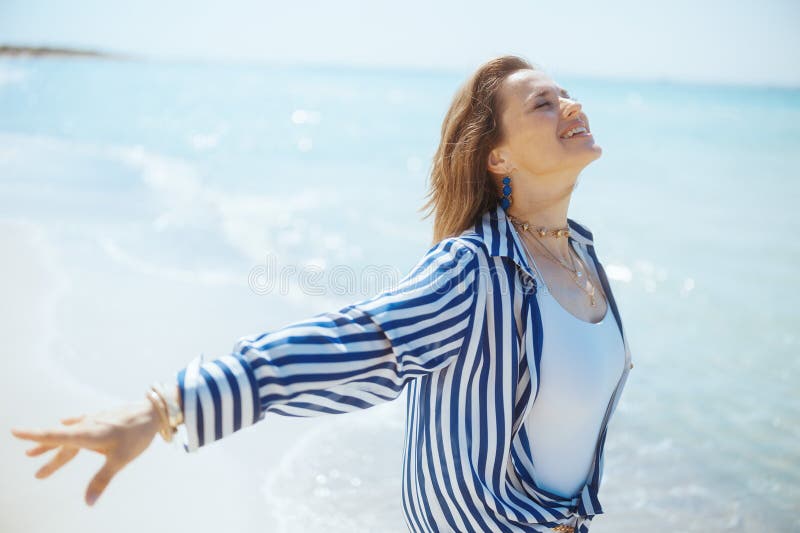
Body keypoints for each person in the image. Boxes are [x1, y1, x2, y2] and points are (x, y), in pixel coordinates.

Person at [10, 55, 633, 533]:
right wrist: (165, 408)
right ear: (497, 157)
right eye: (544, 103)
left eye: (567, 94)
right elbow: (349, 343)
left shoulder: (584, 257)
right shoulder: (473, 271)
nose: (571, 106)